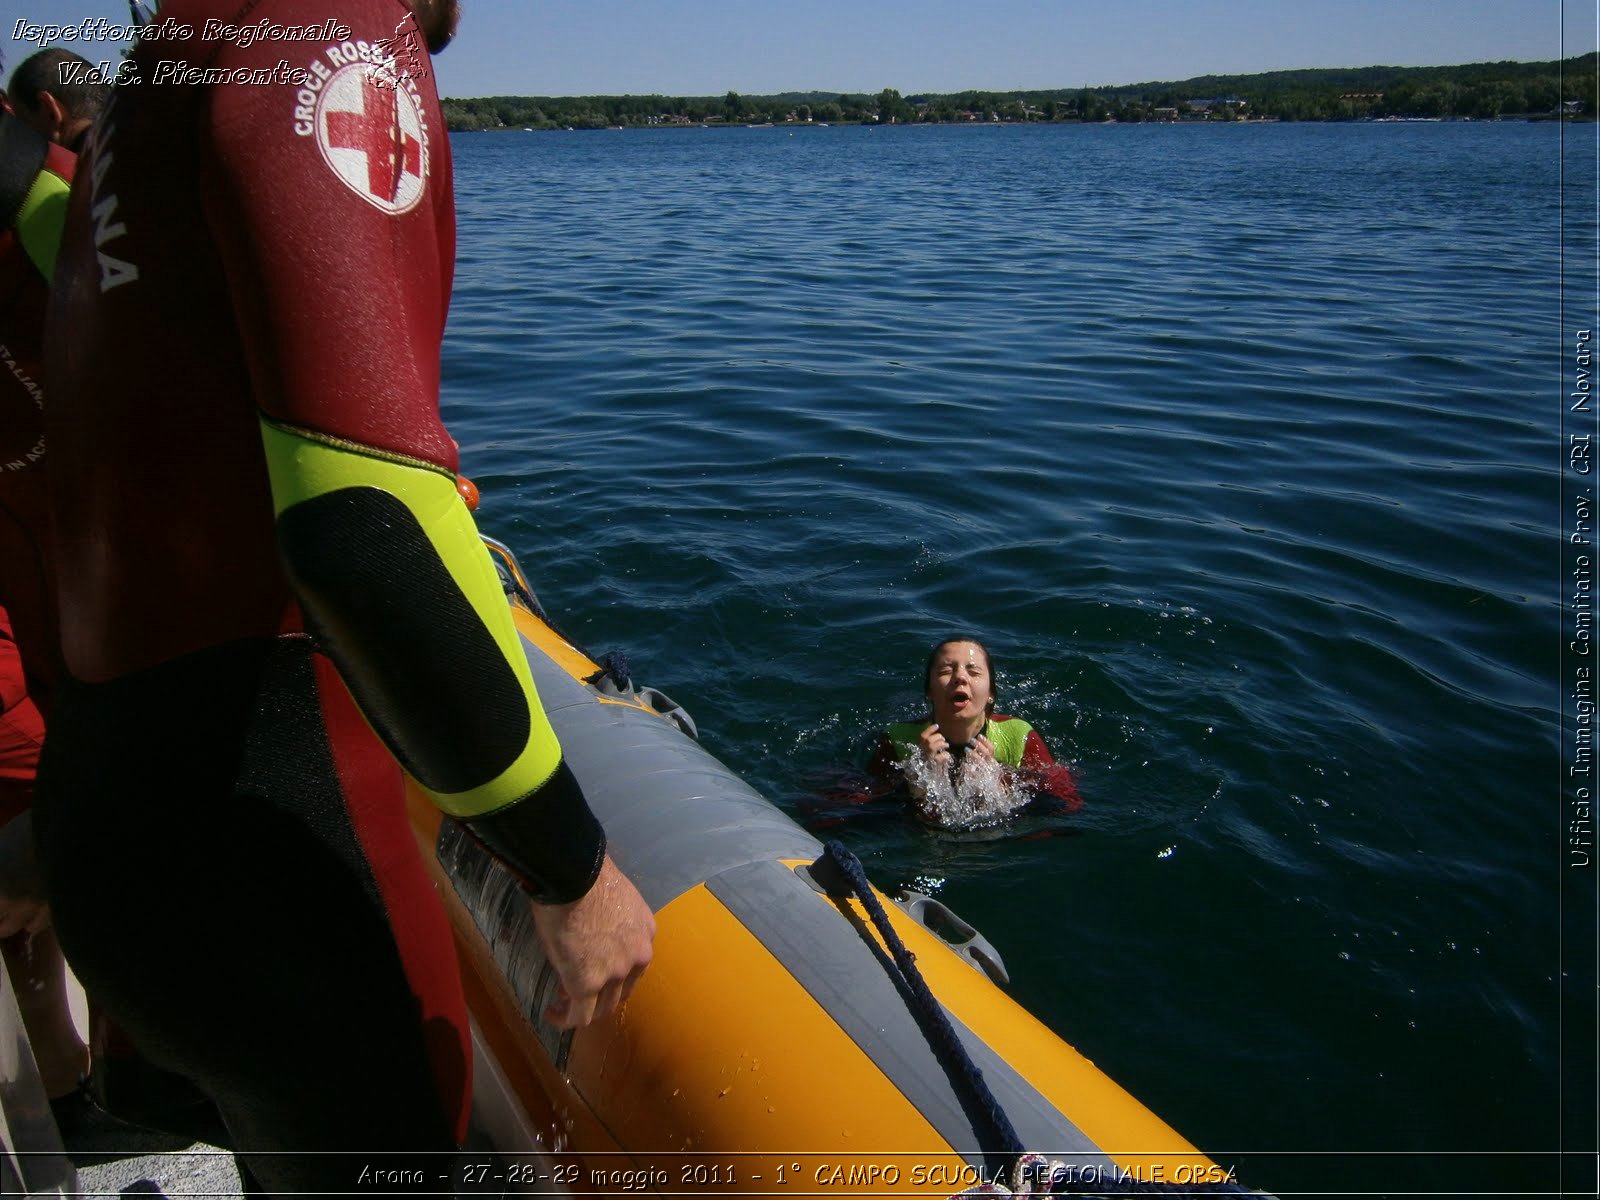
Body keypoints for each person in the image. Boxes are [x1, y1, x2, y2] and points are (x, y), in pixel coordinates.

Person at [39, 2, 653, 1192]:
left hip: (124, 821)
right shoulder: (330, 31)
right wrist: (568, 869)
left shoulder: (161, 68)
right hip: (274, 851)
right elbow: (359, 527)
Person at [0, 49, 103, 1121]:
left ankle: (96, 1071)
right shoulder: (69, 209)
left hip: (73, 602)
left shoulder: (67, 219)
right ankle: (77, 1082)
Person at [868, 636, 1082, 817]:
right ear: (929, 692)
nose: (960, 677)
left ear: (990, 694)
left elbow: (1068, 805)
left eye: (974, 672)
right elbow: (861, 807)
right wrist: (916, 779)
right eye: (945, 670)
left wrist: (999, 785)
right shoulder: (898, 740)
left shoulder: (1020, 737)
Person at [7, 48, 111, 154]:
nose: (19, 140)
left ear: (50, 113)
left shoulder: (91, 166)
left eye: (21, 127)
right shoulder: (122, 135)